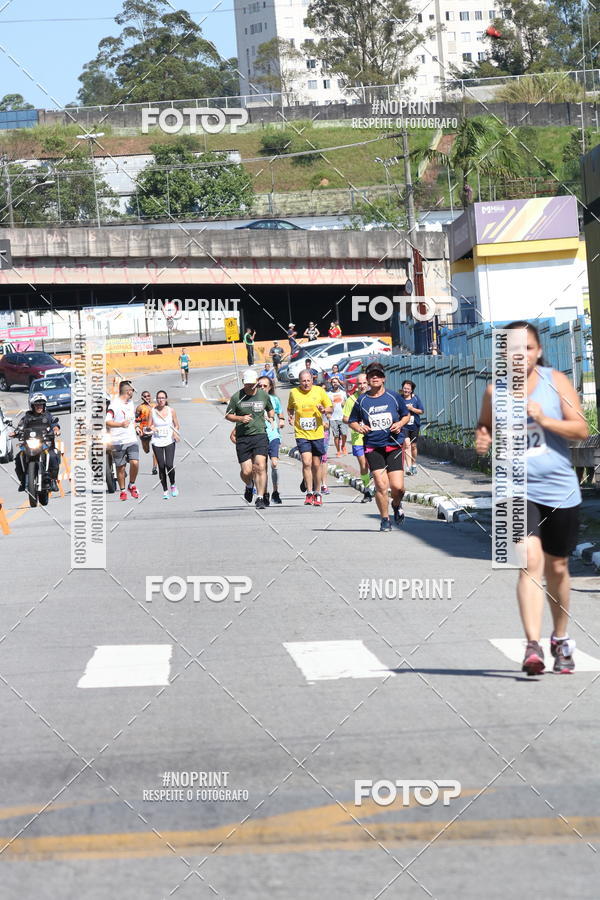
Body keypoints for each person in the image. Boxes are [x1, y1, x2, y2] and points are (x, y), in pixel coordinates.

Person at [475, 321, 589, 676]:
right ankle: (532, 645)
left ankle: (560, 637)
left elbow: (582, 429)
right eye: (511, 349)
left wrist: (546, 420)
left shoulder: (556, 382)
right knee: (528, 562)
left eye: (526, 348)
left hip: (559, 488)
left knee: (557, 567)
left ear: (538, 351)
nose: (518, 354)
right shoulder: (495, 390)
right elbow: (485, 426)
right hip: (514, 488)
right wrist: (483, 438)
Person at [348, 362, 410, 531]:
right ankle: (385, 519)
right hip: (373, 447)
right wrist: (359, 428)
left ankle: (396, 505)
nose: (374, 378)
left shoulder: (393, 397)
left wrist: (399, 423)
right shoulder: (362, 400)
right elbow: (351, 420)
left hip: (394, 445)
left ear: (383, 378)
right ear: (367, 379)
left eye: (378, 375)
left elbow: (406, 415)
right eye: (371, 375)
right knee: (381, 485)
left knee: (398, 487)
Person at [225, 369, 274, 510]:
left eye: (252, 384)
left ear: (256, 382)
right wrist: (240, 418)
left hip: (260, 434)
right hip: (243, 437)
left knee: (260, 465)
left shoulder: (263, 395)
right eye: (247, 384)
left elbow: (270, 409)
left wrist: (271, 417)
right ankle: (249, 485)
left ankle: (259, 497)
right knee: (247, 471)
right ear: (243, 383)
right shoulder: (237, 397)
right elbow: (228, 415)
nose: (250, 387)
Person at [287, 370, 332, 507]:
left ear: (312, 380)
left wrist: (324, 410)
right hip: (302, 433)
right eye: (303, 381)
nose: (306, 383)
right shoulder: (293, 393)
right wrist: (290, 416)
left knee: (316, 464)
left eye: (308, 381)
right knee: (306, 462)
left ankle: (318, 493)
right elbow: (290, 408)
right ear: (299, 381)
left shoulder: (319, 391)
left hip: (317, 433)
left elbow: (330, 407)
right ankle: (309, 492)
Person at [14, 393, 61, 493]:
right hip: (30, 444)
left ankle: (52, 480)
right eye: (36, 405)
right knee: (19, 457)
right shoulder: (27, 416)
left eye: (41, 404)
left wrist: (56, 429)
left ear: (44, 405)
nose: (39, 406)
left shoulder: (48, 415)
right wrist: (15, 432)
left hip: (45, 444)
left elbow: (54, 424)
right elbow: (20, 427)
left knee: (53, 456)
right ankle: (23, 481)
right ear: (32, 406)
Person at [106, 380, 140, 501]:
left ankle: (132, 484)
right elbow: (107, 421)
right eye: (132, 390)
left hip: (131, 439)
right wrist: (120, 424)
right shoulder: (114, 405)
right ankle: (123, 490)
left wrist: (136, 427)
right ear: (128, 391)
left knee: (135, 462)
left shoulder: (130, 403)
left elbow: (132, 419)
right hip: (117, 441)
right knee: (121, 468)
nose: (133, 393)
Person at [343, 373, 373, 503]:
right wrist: (356, 422)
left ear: (368, 383)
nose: (362, 386)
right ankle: (367, 491)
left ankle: (374, 481)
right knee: (363, 464)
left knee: (373, 463)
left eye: (364, 383)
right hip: (358, 438)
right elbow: (345, 418)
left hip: (373, 437)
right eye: (359, 383)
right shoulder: (351, 400)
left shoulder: (373, 397)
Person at [257, 375, 285, 504]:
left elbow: (280, 414)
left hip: (273, 435)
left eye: (265, 386)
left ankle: (275, 491)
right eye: (259, 385)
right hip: (260, 435)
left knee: (274, 463)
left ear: (270, 387)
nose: (262, 388)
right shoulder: (254, 400)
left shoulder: (274, 399)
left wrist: (282, 421)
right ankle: (266, 493)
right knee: (262, 467)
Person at [150, 390, 180, 499]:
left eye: (162, 398)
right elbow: (150, 425)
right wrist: (152, 428)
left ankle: (172, 484)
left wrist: (175, 433)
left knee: (169, 465)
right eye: (158, 398)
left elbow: (177, 425)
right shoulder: (152, 411)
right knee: (161, 466)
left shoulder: (171, 410)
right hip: (157, 441)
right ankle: (165, 490)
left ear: (166, 399)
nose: (160, 400)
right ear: (156, 399)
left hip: (169, 440)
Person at [401, 380, 424, 475]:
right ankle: (408, 467)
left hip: (414, 425)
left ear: (411, 391)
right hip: (404, 426)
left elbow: (421, 411)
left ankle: (414, 464)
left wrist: (412, 409)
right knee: (407, 444)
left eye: (408, 389)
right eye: (404, 388)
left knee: (413, 446)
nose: (406, 390)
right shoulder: (400, 398)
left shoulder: (415, 399)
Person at [136, 390, 158, 475]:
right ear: (142, 398)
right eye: (144, 396)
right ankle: (146, 447)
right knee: (146, 450)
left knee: (155, 449)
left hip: (153, 429)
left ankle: (154, 467)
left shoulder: (154, 406)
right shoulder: (139, 408)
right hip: (144, 430)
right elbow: (136, 419)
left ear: (150, 397)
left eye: (148, 396)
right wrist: (138, 421)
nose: (147, 398)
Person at [327, 377, 348, 456]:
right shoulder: (329, 394)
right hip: (333, 417)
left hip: (342, 417)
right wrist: (328, 414)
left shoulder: (343, 393)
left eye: (336, 382)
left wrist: (344, 404)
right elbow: (326, 405)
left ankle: (343, 446)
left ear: (339, 383)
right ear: (331, 384)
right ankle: (338, 450)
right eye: (333, 382)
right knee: (336, 436)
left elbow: (347, 403)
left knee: (344, 434)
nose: (335, 383)